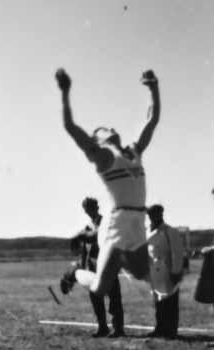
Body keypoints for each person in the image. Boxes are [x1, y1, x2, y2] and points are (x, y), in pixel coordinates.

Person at [55, 68, 160, 296]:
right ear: (97, 141)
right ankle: (75, 272)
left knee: (144, 274)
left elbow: (152, 120)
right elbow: (70, 127)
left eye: (111, 127)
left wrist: (154, 88)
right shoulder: (103, 157)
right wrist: (65, 92)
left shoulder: (134, 151)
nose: (110, 128)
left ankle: (120, 260)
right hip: (118, 221)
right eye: (103, 129)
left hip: (138, 219)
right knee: (100, 288)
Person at [66, 197, 125, 338]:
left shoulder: (105, 223)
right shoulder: (87, 228)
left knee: (114, 300)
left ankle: (118, 328)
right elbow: (84, 252)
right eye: (86, 208)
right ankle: (102, 327)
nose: (89, 211)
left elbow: (97, 236)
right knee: (96, 301)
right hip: (92, 270)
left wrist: (80, 236)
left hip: (108, 267)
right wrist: (82, 267)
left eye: (91, 207)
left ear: (97, 207)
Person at [146, 204, 184, 338]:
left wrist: (176, 272)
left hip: (167, 271)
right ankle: (160, 328)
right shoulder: (148, 231)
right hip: (154, 273)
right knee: (158, 302)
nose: (154, 216)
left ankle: (171, 331)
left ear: (161, 214)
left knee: (170, 303)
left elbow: (177, 253)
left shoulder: (170, 231)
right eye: (151, 214)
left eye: (157, 213)